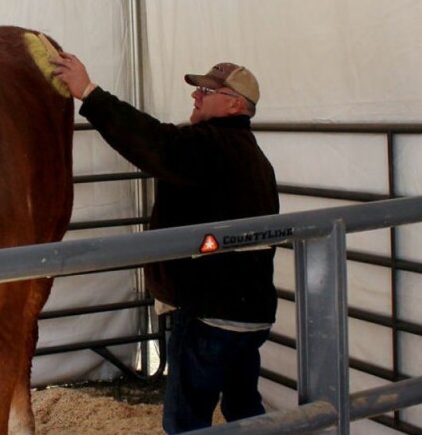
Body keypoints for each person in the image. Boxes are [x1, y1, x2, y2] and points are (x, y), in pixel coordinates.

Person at [51, 54, 279, 432]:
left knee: (186, 418)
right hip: (249, 313)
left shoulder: (210, 147)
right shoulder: (253, 156)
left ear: (236, 104)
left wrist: (89, 95)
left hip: (210, 313)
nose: (195, 97)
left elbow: (153, 142)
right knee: (243, 405)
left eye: (207, 91)